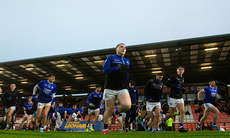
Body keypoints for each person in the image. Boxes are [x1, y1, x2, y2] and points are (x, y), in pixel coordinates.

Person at [102, 43, 131, 135]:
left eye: (125, 47)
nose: (123, 48)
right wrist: (116, 68)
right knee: (108, 110)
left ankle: (116, 112)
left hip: (122, 88)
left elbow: (126, 74)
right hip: (110, 88)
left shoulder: (127, 61)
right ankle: (105, 128)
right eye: (121, 47)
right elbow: (105, 70)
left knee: (127, 105)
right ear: (116, 49)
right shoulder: (111, 58)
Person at [165, 66, 188, 132]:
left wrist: (182, 89)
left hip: (180, 97)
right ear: (177, 70)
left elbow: (180, 87)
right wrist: (175, 86)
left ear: (183, 71)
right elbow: (167, 84)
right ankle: (163, 120)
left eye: (182, 69)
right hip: (172, 97)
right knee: (171, 114)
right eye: (179, 69)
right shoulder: (173, 76)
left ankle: (181, 127)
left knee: (183, 111)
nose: (180, 70)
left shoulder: (182, 78)